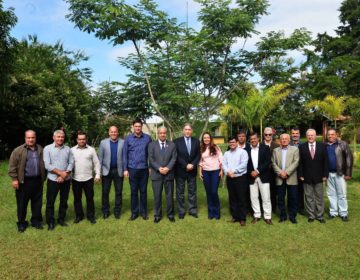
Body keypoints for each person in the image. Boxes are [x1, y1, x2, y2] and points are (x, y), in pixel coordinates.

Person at [8, 130, 46, 232]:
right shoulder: (18, 150)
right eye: (28, 138)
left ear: (35, 138)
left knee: (37, 203)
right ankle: (21, 223)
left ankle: (36, 221)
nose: (31, 139)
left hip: (38, 181)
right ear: (25, 138)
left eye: (32, 137)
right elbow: (12, 166)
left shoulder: (40, 149)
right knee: (22, 204)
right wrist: (14, 179)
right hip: (23, 182)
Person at [43, 130, 74, 230]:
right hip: (52, 179)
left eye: (62, 137)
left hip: (66, 179)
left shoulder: (68, 149)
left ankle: (61, 219)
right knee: (50, 202)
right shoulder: (47, 148)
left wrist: (65, 175)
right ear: (54, 138)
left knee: (64, 201)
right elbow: (47, 165)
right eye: (58, 137)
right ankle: (50, 222)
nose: (60, 138)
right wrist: (61, 173)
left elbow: (71, 163)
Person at [123, 118, 152, 221]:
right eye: (136, 126)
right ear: (133, 127)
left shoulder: (148, 138)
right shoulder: (128, 139)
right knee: (134, 191)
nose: (137, 128)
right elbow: (125, 154)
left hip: (144, 169)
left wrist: (150, 167)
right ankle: (134, 213)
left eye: (139, 126)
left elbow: (150, 154)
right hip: (132, 169)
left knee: (143, 191)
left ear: (141, 126)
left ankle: (144, 213)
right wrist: (125, 169)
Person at [298, 129, 329, 223]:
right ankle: (311, 215)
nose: (310, 137)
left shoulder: (322, 146)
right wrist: (301, 174)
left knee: (319, 197)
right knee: (309, 197)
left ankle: (320, 216)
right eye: (308, 135)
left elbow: (325, 162)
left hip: (319, 176)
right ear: (306, 136)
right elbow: (300, 163)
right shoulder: (302, 147)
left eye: (312, 135)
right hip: (306, 176)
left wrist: (325, 175)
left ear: (315, 136)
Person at [148, 127, 177, 223]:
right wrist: (159, 168)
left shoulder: (172, 145)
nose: (162, 134)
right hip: (156, 174)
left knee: (169, 196)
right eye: (160, 133)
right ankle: (157, 215)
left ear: (166, 134)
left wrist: (168, 168)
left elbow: (174, 158)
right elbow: (151, 159)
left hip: (169, 174)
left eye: (164, 133)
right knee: (157, 196)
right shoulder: (152, 145)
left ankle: (170, 214)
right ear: (158, 133)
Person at [71, 132, 101, 224]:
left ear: (86, 139)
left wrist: (97, 174)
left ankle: (91, 216)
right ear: (77, 140)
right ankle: (79, 216)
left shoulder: (91, 150)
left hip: (88, 178)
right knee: (77, 199)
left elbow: (96, 163)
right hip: (76, 178)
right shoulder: (72, 150)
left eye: (83, 139)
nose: (81, 141)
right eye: (80, 139)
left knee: (89, 198)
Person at [326, 128, 353, 221]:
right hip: (328, 174)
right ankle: (333, 212)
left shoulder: (343, 144)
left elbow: (349, 158)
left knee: (342, 194)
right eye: (329, 134)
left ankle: (343, 213)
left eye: (332, 134)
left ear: (336, 135)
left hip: (340, 173)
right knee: (331, 194)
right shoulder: (325, 145)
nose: (330, 136)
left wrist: (348, 173)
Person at [174, 123, 200, 219]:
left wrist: (193, 164)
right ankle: (181, 211)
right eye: (186, 129)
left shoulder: (196, 141)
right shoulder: (176, 141)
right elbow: (176, 156)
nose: (187, 131)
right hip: (180, 170)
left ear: (191, 131)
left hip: (192, 171)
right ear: (183, 131)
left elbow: (198, 155)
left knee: (192, 191)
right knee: (180, 192)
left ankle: (192, 210)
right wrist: (186, 165)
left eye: (189, 129)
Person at [272, 134, 300, 224]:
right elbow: (273, 163)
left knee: (293, 198)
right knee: (280, 198)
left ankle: (292, 216)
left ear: (289, 140)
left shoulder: (295, 149)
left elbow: (296, 162)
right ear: (280, 140)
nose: (284, 140)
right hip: (279, 178)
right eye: (282, 139)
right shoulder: (275, 151)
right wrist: (280, 172)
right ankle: (282, 216)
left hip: (291, 177)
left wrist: (286, 172)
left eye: (286, 139)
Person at [246, 132, 272, 224]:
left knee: (266, 198)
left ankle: (268, 216)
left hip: (263, 176)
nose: (253, 140)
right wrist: (251, 172)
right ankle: (256, 215)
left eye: (254, 138)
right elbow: (246, 164)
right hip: (251, 177)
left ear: (258, 139)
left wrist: (257, 171)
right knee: (254, 197)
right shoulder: (247, 150)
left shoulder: (265, 148)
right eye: (251, 139)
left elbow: (268, 161)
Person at [222, 136, 249, 226]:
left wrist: (234, 171)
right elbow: (224, 164)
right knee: (232, 198)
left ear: (237, 142)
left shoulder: (243, 152)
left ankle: (242, 218)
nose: (232, 144)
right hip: (230, 178)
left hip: (240, 178)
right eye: (230, 142)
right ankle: (235, 217)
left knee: (241, 198)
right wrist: (227, 172)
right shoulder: (226, 153)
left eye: (233, 142)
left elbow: (244, 164)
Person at [99, 126, 124, 219]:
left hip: (118, 170)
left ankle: (117, 211)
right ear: (109, 133)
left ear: (118, 133)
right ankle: (105, 211)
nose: (113, 133)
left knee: (118, 192)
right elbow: (100, 158)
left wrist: (125, 170)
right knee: (105, 192)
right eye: (111, 132)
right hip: (106, 171)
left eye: (115, 132)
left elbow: (124, 157)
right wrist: (99, 172)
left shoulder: (123, 142)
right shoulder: (103, 142)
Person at [199, 132, 223, 220]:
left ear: (210, 138)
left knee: (213, 191)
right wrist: (200, 172)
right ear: (203, 139)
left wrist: (221, 170)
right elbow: (201, 162)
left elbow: (221, 159)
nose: (206, 139)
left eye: (208, 137)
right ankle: (211, 212)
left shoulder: (216, 147)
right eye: (204, 138)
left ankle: (217, 212)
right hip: (205, 172)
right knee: (208, 193)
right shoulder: (201, 148)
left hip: (215, 172)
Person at [262, 127, 279, 213]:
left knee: (273, 191)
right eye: (266, 134)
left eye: (270, 134)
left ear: (272, 135)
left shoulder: (276, 145)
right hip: (262, 172)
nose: (268, 136)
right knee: (262, 191)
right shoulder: (259, 145)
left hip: (273, 173)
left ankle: (273, 208)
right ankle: (263, 208)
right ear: (263, 135)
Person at [290, 127, 305, 215]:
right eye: (293, 133)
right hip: (291, 171)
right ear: (291, 134)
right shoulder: (288, 144)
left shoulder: (303, 144)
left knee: (300, 190)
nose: (295, 135)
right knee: (292, 191)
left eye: (296, 133)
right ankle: (292, 207)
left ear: (299, 134)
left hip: (301, 171)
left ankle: (300, 208)